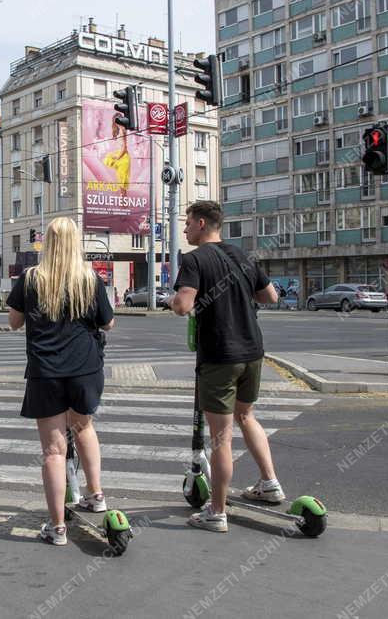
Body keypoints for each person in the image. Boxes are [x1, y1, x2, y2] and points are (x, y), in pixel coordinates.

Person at [170, 200, 281, 533]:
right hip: (253, 350)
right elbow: (270, 297)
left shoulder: (193, 260)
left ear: (202, 223)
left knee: (220, 438)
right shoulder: (243, 256)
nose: (186, 228)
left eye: (188, 223)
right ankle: (269, 482)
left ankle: (216, 512)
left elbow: (183, 306)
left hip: (220, 355)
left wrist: (172, 300)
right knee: (246, 416)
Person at [7, 216, 115, 546]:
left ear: (47, 244)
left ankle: (57, 528)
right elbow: (108, 324)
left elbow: (13, 322)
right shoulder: (89, 279)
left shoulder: (30, 279)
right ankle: (96, 495)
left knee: (53, 451)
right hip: (85, 369)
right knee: (84, 428)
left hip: (46, 372)